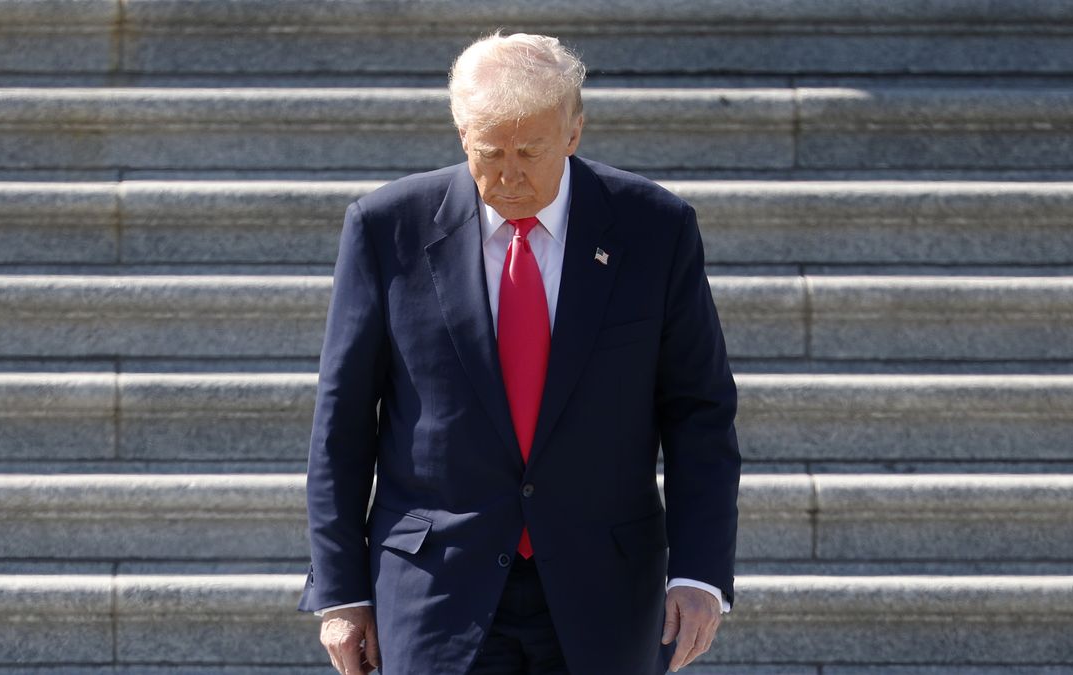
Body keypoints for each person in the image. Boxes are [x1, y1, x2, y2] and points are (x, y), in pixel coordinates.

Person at [298, 32, 741, 675]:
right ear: (460, 135)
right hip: (434, 589)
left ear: (574, 131)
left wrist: (699, 575)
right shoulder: (385, 229)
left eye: (530, 151)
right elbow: (341, 423)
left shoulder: (655, 228)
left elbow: (699, 411)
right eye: (490, 151)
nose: (509, 174)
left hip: (604, 589)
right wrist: (340, 591)